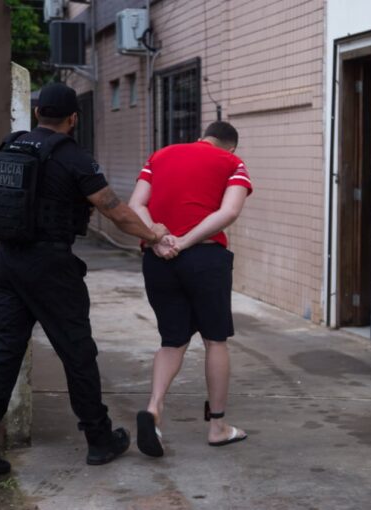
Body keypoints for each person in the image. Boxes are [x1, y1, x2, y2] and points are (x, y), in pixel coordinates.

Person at [0, 82, 169, 474]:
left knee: (2, 351)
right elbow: (115, 210)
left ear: (38, 113)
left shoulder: (11, 146)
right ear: (73, 118)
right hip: (50, 267)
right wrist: (153, 236)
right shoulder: (73, 157)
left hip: (7, 261)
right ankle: (99, 439)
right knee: (77, 352)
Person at [128, 121, 253, 457]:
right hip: (205, 259)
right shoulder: (232, 163)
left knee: (172, 340)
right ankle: (218, 427)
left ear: (202, 138)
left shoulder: (160, 156)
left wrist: (157, 238)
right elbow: (229, 211)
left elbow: (136, 205)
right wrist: (184, 242)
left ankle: (154, 409)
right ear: (231, 146)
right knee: (215, 340)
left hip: (158, 260)